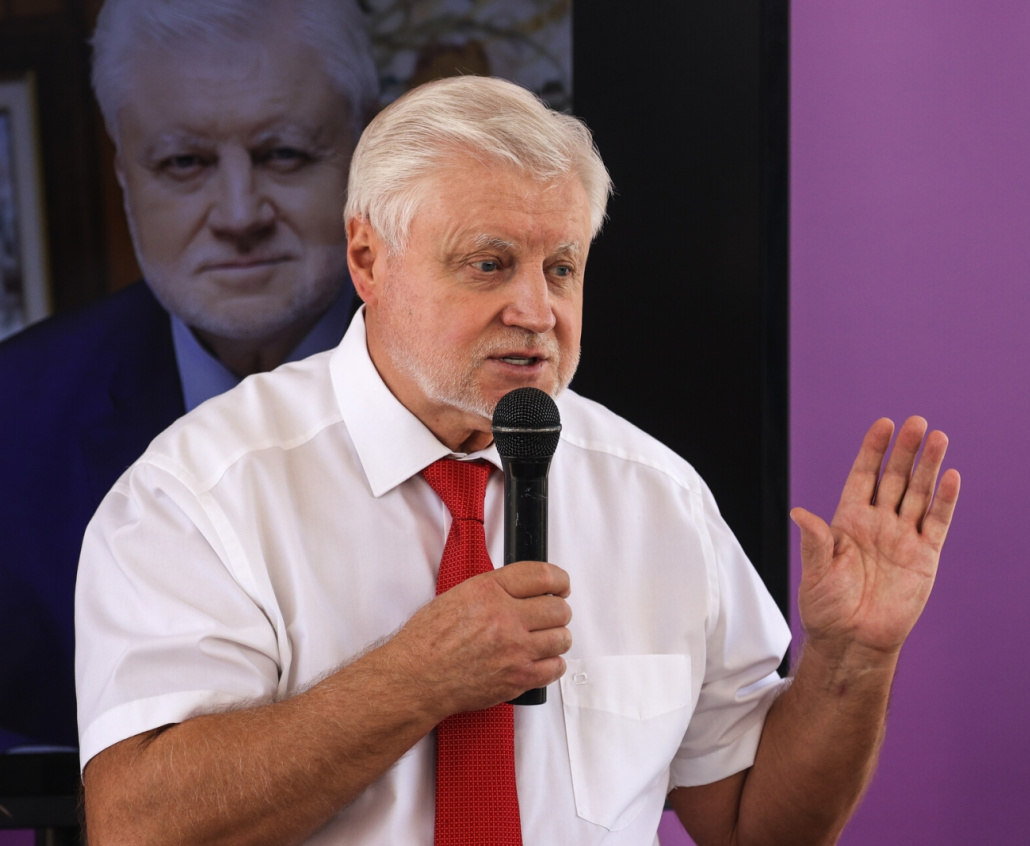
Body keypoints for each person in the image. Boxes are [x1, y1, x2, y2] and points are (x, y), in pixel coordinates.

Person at [75, 76, 961, 845]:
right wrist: (417, 678)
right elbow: (137, 825)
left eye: (562, 268)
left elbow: (755, 827)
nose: (537, 311)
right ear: (368, 260)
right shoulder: (200, 493)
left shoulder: (656, 495)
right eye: (490, 264)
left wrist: (852, 658)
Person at [0, 0, 376, 748]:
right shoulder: (14, 421)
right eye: (184, 163)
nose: (239, 214)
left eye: (284, 153)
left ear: (370, 156)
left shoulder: (508, 393)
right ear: (123, 172)